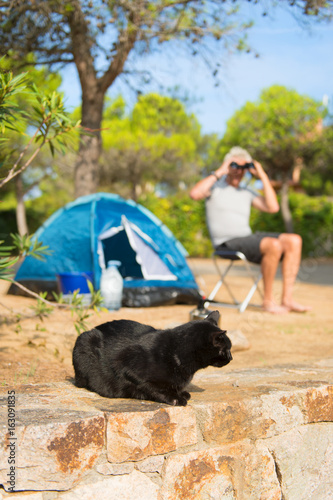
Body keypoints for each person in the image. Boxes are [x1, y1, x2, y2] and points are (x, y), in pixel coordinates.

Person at [190, 146, 311, 314]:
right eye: (235, 166)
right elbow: (195, 194)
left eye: (243, 167)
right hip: (226, 243)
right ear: (227, 166)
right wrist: (220, 170)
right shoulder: (215, 187)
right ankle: (268, 302)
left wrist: (261, 175)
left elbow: (273, 207)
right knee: (273, 244)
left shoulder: (247, 192)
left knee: (294, 240)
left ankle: (287, 299)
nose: (239, 171)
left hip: (247, 239)